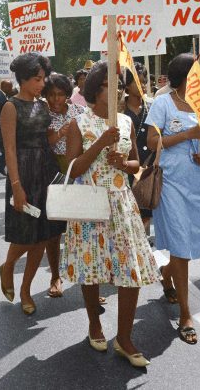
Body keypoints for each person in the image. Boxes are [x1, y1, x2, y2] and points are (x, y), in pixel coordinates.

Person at [60, 61, 160, 367]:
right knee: (92, 270)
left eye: (117, 83)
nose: (114, 88)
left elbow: (139, 166)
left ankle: (125, 338)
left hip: (122, 204)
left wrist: (124, 164)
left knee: (130, 271)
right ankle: (94, 324)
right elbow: (71, 168)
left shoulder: (126, 123)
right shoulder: (81, 123)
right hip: (90, 204)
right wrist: (100, 144)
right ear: (94, 88)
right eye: (107, 83)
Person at [145, 53, 200, 345]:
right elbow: (152, 141)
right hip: (171, 181)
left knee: (188, 241)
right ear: (182, 75)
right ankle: (186, 314)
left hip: (198, 182)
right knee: (180, 245)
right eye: (195, 72)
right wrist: (186, 134)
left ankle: (167, 275)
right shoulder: (163, 102)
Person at [0, 53, 64, 315]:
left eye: (43, 78)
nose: (42, 83)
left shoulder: (44, 106)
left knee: (43, 236)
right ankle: (8, 266)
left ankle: (26, 289)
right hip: (22, 174)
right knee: (25, 235)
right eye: (37, 79)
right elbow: (10, 149)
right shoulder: (10, 107)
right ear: (23, 79)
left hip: (45, 172)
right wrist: (16, 185)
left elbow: (46, 141)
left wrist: (63, 132)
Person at [43, 72, 84, 298]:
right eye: (51, 95)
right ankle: (55, 277)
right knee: (54, 230)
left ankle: (86, 279)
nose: (55, 99)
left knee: (80, 228)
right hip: (55, 173)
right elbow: (44, 142)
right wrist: (61, 133)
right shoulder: (43, 115)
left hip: (79, 171)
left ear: (68, 95)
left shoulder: (80, 112)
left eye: (60, 94)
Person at [121, 63, 154, 234]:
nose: (142, 85)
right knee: (127, 212)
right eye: (138, 82)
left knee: (145, 211)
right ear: (126, 85)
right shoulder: (118, 109)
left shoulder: (152, 107)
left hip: (148, 168)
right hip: (126, 167)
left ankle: (142, 243)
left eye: (144, 81)